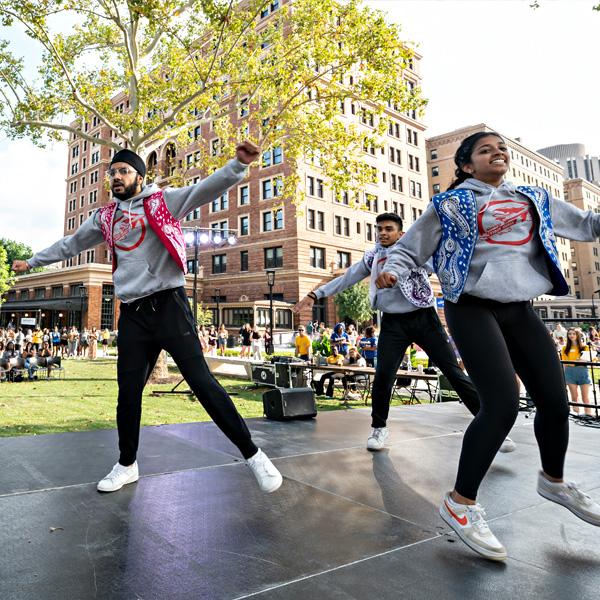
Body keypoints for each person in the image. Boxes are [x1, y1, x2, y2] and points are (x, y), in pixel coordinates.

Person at [377, 131, 600, 560]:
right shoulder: (450, 203)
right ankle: (460, 504)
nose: (497, 153)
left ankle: (553, 481)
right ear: (465, 165)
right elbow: (410, 249)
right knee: (501, 405)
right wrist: (394, 271)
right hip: (472, 307)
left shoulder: (533, 197)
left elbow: (587, 226)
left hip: (519, 307)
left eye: (502, 149)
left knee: (555, 402)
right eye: (485, 150)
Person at [12, 141, 282, 495]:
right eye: (112, 173)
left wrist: (237, 165)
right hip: (133, 314)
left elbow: (203, 190)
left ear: (140, 175)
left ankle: (254, 455)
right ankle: (127, 464)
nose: (116, 178)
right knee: (128, 393)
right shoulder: (105, 217)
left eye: (123, 171)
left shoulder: (162, 201)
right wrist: (32, 262)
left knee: (202, 382)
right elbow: (71, 244)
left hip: (169, 305)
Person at [295, 212, 490, 455]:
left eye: (388, 229)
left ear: (401, 233)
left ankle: (491, 428)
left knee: (453, 371)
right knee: (383, 376)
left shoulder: (417, 251)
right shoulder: (373, 256)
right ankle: (378, 428)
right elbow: (347, 278)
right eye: (379, 229)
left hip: (424, 318)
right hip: (393, 324)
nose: (383, 233)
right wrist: (315, 294)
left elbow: (443, 264)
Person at [561, 328, 594, 416]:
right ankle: (577, 416)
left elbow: (590, 359)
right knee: (574, 397)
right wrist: (564, 377)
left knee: (585, 398)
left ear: (578, 335)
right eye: (569, 334)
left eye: (573, 334)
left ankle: (588, 415)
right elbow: (564, 364)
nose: (571, 335)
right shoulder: (564, 348)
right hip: (570, 373)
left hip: (582, 372)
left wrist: (582, 360)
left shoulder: (585, 347)